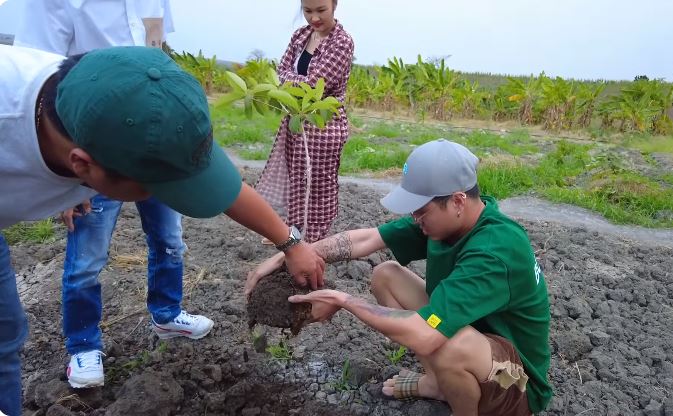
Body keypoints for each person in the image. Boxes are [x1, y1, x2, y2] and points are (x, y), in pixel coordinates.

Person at [0, 45, 325, 416]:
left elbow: (229, 191)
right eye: (158, 187)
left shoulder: (122, 107)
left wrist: (291, 244)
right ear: (83, 167)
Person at [247, 139, 553, 416]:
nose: (415, 220)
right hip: (479, 341)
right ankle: (437, 384)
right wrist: (293, 250)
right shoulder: (451, 223)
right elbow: (364, 240)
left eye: (421, 211)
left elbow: (426, 333)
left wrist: (343, 300)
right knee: (386, 276)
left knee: (446, 345)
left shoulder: (494, 251)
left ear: (458, 201)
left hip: (515, 382)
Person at [14, 0, 211, 389]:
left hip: (152, 142)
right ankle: (83, 345)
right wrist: (69, 182)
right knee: (89, 255)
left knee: (169, 239)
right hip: (94, 148)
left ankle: (167, 313)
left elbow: (157, 47)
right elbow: (41, 75)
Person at [256, 0, 354, 243]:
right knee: (298, 181)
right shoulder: (301, 35)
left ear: (335, 5)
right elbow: (281, 71)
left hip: (323, 124)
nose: (314, 18)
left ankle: (316, 239)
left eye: (321, 10)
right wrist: (291, 79)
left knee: (319, 184)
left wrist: (288, 80)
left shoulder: (341, 41)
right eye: (307, 11)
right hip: (297, 120)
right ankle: (294, 234)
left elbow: (315, 84)